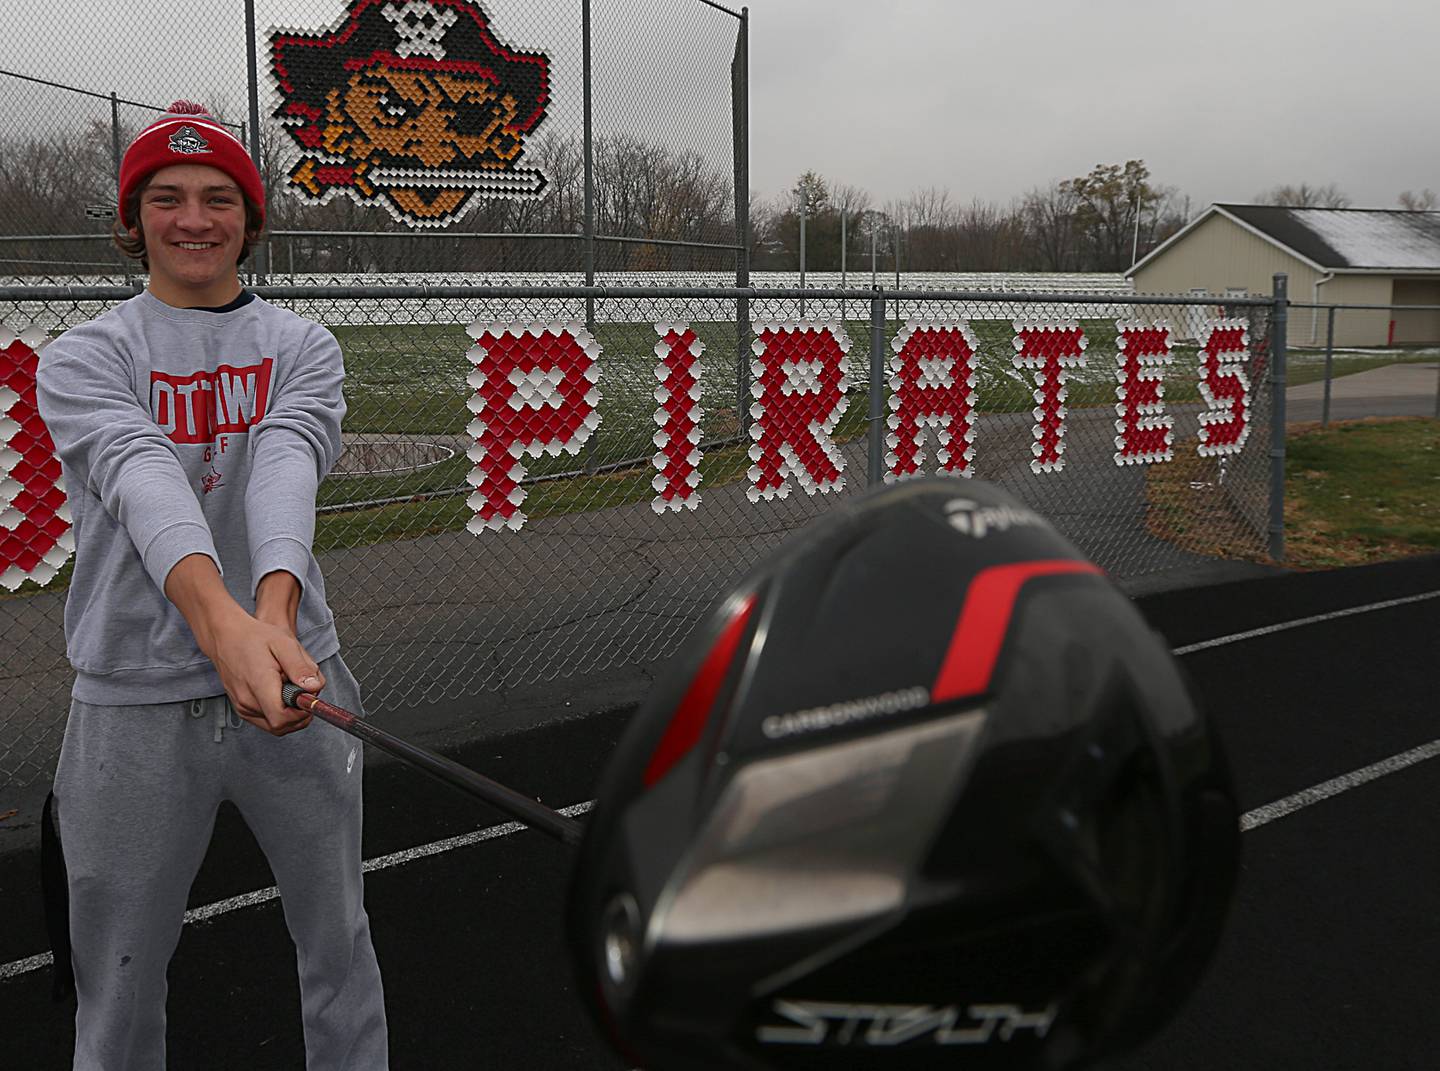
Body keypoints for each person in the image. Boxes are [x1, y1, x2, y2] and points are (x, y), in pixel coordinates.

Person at [36, 100, 389, 1070]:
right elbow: (141, 473)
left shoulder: (302, 345)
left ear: (251, 218)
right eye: (167, 198)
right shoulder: (82, 357)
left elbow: (284, 460)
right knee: (117, 984)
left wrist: (271, 616)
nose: (193, 219)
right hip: (132, 706)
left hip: (298, 683)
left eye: (217, 198)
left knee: (340, 947)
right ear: (134, 218)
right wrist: (225, 627)